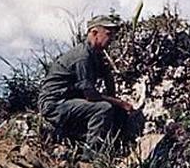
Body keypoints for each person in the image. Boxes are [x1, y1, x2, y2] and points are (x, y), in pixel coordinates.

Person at [38, 15, 134, 155]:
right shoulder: (83, 57)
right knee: (103, 108)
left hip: (68, 100)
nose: (111, 39)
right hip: (55, 104)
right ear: (94, 33)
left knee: (115, 110)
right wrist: (119, 102)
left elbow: (107, 75)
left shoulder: (94, 53)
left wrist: (114, 97)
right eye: (108, 34)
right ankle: (90, 157)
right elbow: (90, 96)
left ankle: (116, 149)